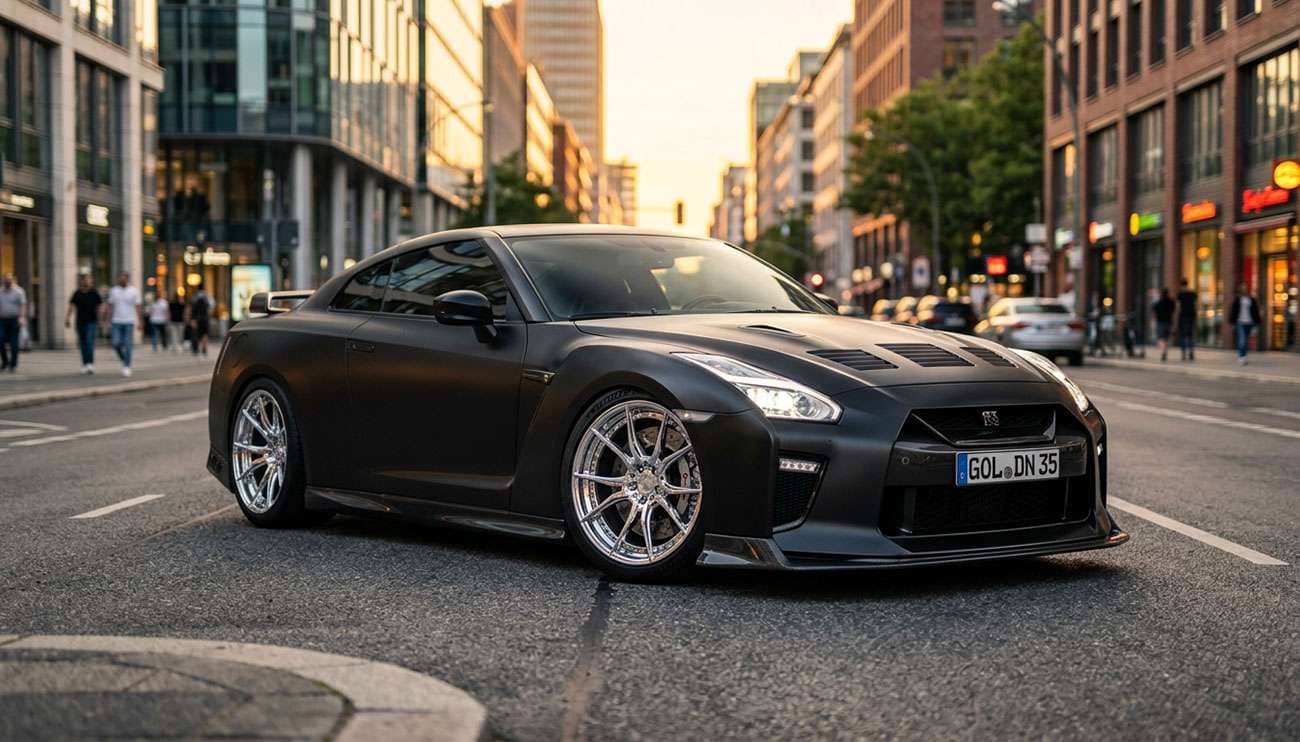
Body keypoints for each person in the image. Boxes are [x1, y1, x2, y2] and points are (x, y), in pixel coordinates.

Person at [103, 272, 141, 376]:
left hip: (129, 321)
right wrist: (106, 320)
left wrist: (140, 322)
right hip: (116, 321)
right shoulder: (114, 291)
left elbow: (138, 307)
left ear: (127, 279)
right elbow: (110, 306)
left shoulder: (134, 291)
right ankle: (125, 360)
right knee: (116, 343)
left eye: (124, 278)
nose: (122, 280)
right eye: (120, 278)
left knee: (128, 345)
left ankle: (126, 366)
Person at [64, 274, 103, 374]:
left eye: (89, 280)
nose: (87, 282)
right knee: (82, 344)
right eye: (85, 280)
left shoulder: (94, 293)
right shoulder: (77, 293)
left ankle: (90, 364)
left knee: (89, 343)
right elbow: (71, 306)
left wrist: (100, 320)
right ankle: (85, 364)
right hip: (80, 322)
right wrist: (68, 318)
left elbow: (99, 307)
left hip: (92, 322)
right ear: (82, 281)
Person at [1227, 284, 1262, 365]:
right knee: (1242, 341)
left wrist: (1257, 323)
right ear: (1241, 290)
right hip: (1241, 322)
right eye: (1243, 289)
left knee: (1246, 341)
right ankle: (1241, 357)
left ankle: (1244, 356)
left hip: (1250, 323)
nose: (1244, 290)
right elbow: (1233, 311)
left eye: (1246, 289)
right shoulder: (1238, 299)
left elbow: (1255, 311)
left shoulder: (1251, 299)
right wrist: (1232, 323)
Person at [0, 273, 27, 372]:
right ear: (3, 281)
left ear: (12, 280)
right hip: (2, 320)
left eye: (9, 280)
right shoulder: (0, 292)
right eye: (5, 280)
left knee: (14, 343)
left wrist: (22, 317)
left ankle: (13, 364)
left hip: (14, 320)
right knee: (0, 341)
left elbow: (23, 305)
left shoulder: (19, 291)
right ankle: (5, 361)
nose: (7, 282)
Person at [186, 283, 213, 356]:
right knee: (205, 333)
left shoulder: (194, 296)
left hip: (196, 318)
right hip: (205, 318)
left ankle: (196, 348)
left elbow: (190, 308)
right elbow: (211, 306)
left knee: (196, 333)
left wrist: (190, 319)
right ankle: (204, 348)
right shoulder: (207, 296)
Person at [1175, 279, 1198, 361]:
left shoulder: (1180, 294)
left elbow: (1178, 307)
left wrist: (1177, 317)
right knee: (1191, 335)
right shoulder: (1193, 294)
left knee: (1183, 336)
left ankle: (1183, 354)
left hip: (1183, 317)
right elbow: (1195, 305)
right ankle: (1191, 352)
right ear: (1187, 284)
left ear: (1181, 285)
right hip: (1191, 316)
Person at [1152, 288, 1175, 363]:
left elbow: (1154, 311)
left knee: (1161, 338)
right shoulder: (1171, 302)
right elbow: (1174, 311)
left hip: (1160, 322)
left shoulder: (1159, 302)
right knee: (1167, 338)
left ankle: (1163, 351)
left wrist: (1154, 320)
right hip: (1169, 322)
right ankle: (1165, 350)